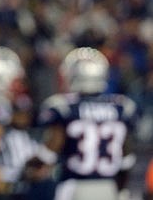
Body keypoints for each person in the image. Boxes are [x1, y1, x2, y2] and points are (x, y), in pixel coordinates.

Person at [37, 47, 140, 200]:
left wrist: (35, 162)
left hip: (74, 186)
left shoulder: (64, 107)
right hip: (108, 186)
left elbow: (54, 146)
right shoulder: (121, 106)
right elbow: (126, 155)